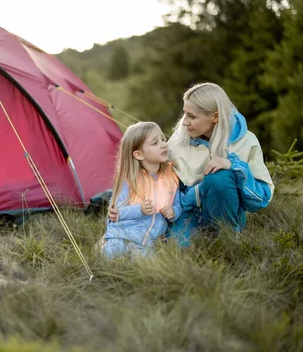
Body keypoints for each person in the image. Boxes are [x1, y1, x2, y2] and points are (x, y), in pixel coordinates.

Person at [109, 82, 274, 246]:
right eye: (185, 114)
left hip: (225, 212)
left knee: (220, 177)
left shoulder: (246, 142)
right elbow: (149, 172)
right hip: (187, 213)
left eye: (192, 116)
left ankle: (226, 236)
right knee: (176, 248)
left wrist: (233, 165)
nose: (184, 122)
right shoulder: (178, 141)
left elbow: (260, 199)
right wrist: (119, 201)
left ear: (215, 116)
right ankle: (196, 234)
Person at [102, 121, 182, 258]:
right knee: (108, 259)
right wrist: (139, 210)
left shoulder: (171, 176)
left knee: (145, 265)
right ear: (139, 155)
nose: (163, 144)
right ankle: (103, 244)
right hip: (120, 236)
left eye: (163, 139)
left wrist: (174, 211)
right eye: (155, 143)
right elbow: (116, 214)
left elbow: (177, 203)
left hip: (147, 242)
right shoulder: (129, 179)